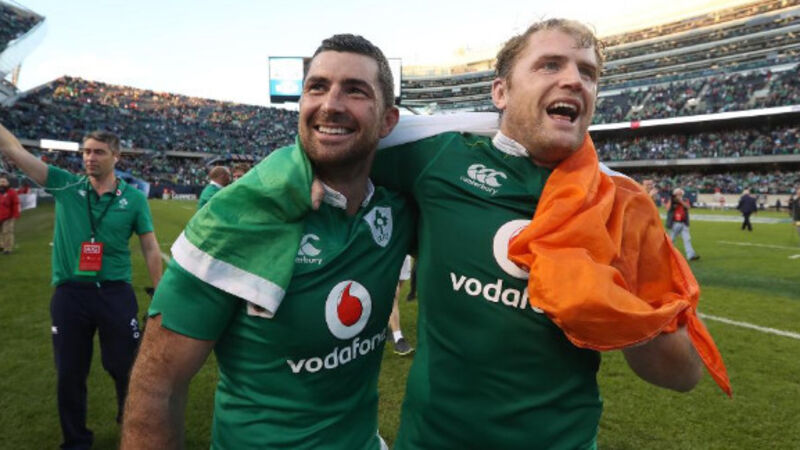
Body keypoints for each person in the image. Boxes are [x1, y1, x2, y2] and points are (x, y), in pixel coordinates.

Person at [370, 19, 728, 449]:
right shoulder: (437, 159)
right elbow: (336, 158)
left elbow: (684, 374)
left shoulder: (620, 206)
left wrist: (620, 309)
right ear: (500, 92)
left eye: (587, 73)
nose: (574, 80)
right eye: (550, 65)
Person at [121, 34, 412, 449]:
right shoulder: (235, 219)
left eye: (355, 90)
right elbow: (157, 387)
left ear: (388, 121)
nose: (331, 104)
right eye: (317, 87)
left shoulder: (397, 206)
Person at [0, 125, 163, 450]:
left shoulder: (133, 199)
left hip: (115, 293)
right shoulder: (65, 183)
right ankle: (75, 441)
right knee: (69, 373)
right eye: (86, 151)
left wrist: (160, 292)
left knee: (124, 366)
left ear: (116, 156)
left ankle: (129, 422)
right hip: (70, 295)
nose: (90, 157)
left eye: (98, 152)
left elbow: (149, 246)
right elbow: (14, 151)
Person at [388, 255, 414, 356]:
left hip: (404, 255)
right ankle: (398, 338)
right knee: (393, 295)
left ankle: (387, 326)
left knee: (396, 295)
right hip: (388, 255)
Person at [666, 187, 700, 260]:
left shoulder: (684, 200)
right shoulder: (671, 200)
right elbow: (668, 208)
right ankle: (667, 255)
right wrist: (672, 200)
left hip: (684, 223)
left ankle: (691, 255)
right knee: (671, 239)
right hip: (674, 223)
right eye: (677, 193)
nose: (678, 194)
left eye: (680, 193)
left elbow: (688, 207)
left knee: (687, 239)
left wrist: (680, 201)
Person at [0, 176, 20, 254]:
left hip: (9, 216)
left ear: (8, 183)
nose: (2, 183)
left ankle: (7, 249)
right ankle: (1, 246)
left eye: (4, 181)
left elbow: (16, 203)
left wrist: (16, 214)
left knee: (7, 232)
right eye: (0, 182)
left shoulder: (12, 192)